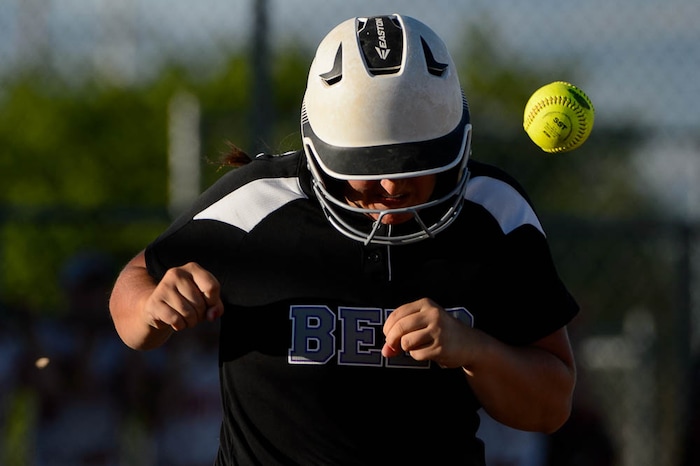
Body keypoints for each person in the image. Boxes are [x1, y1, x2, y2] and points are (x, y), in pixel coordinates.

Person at [109, 14, 579, 466]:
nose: (393, 187)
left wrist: (475, 349)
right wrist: (154, 308)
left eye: (418, 161)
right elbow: (132, 294)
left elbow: (550, 406)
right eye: (370, 168)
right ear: (323, 154)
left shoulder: (494, 214)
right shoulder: (259, 202)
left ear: (455, 144)